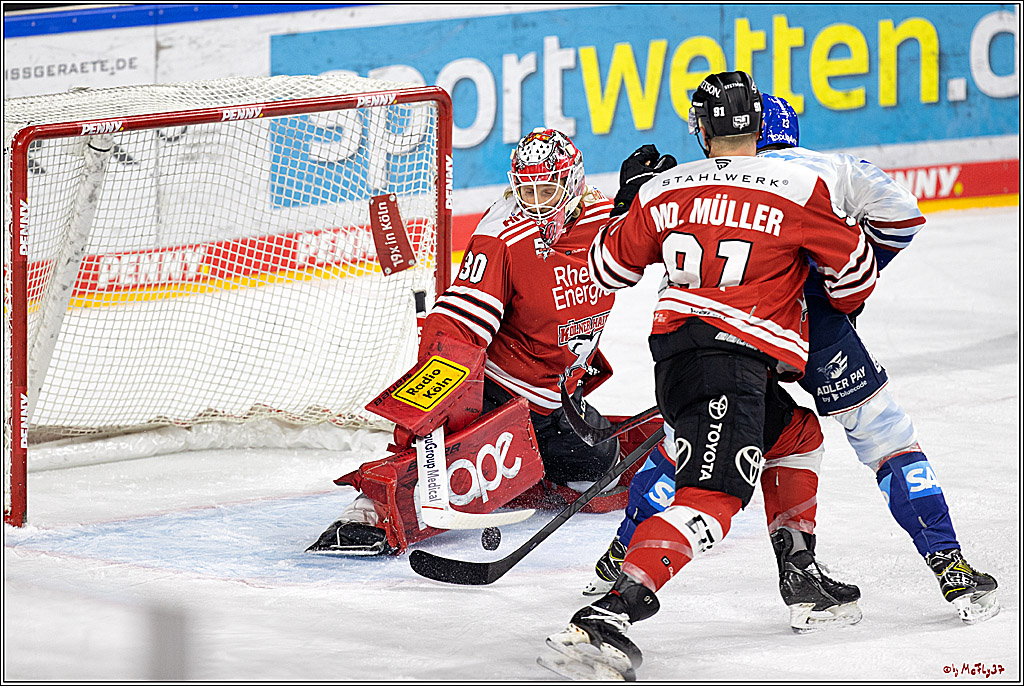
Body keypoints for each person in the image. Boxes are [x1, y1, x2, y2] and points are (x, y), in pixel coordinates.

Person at [582, 94, 999, 629]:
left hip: (722, 330)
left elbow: (615, 265)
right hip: (818, 334)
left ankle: (620, 556)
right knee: (883, 434)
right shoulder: (825, 171)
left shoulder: (692, 177)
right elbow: (901, 216)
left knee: (686, 438)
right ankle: (950, 568)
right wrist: (828, 290)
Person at [539, 71, 877, 681]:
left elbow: (608, 271)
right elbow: (854, 276)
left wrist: (626, 204)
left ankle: (801, 576)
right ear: (760, 123)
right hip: (730, 362)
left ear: (700, 128)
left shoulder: (663, 191)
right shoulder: (803, 185)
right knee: (715, 496)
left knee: (797, 435)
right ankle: (612, 611)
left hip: (678, 356)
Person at [307, 128, 663, 556]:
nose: (536, 205)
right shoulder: (503, 236)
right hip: (499, 397)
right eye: (525, 192)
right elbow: (457, 324)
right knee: (461, 467)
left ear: (573, 184)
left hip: (557, 398)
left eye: (547, 191)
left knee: (602, 467)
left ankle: (531, 473)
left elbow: (659, 251)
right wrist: (433, 405)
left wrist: (649, 204)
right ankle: (366, 511)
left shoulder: (603, 219)